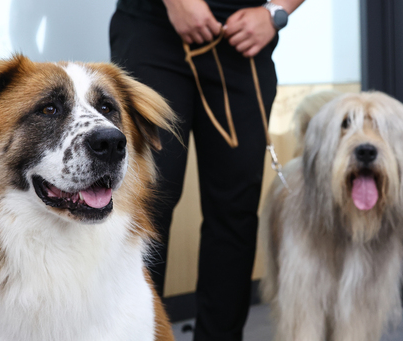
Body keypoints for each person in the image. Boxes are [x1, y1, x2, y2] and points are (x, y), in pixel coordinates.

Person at [110, 0, 304, 339]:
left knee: (236, 209)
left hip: (244, 37)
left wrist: (276, 12)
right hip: (154, 29)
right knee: (147, 201)